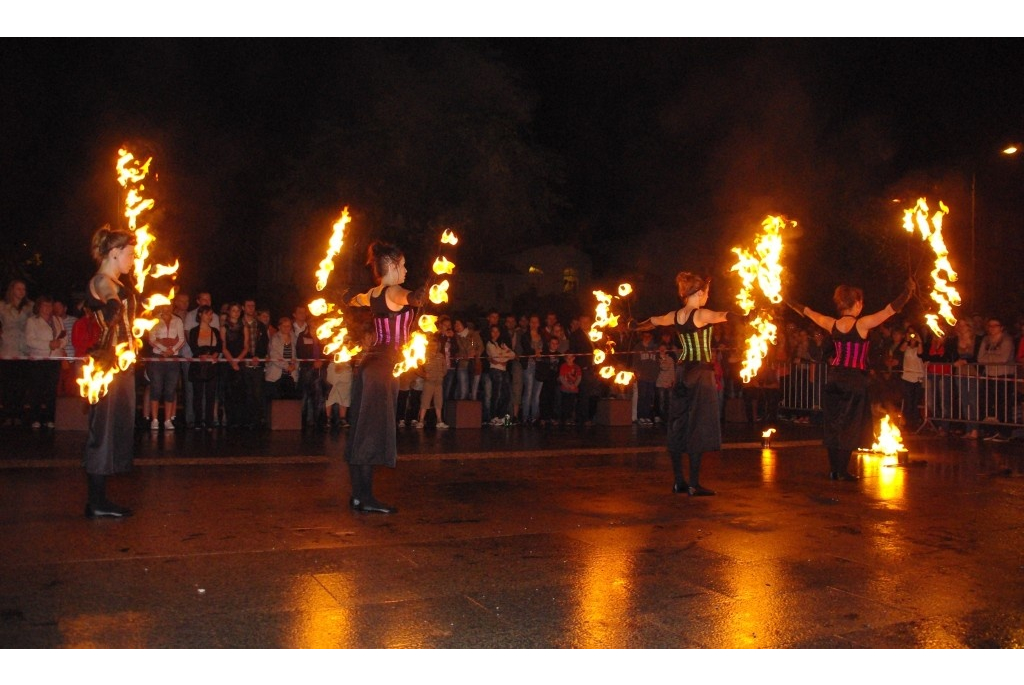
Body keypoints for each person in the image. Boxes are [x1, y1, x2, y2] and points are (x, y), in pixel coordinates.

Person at [787, 278, 915, 480]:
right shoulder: (862, 324)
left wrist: (787, 299)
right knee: (850, 425)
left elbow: (809, 312)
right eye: (861, 302)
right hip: (854, 380)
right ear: (856, 303)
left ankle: (834, 470)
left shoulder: (832, 324)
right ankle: (842, 471)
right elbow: (889, 310)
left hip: (834, 378)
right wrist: (907, 293)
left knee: (833, 423)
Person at [630, 273, 733, 496]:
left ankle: (679, 481)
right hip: (701, 373)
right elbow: (723, 315)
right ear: (697, 293)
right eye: (706, 293)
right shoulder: (702, 314)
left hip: (682, 370)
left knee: (678, 424)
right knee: (699, 426)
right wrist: (745, 314)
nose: (707, 296)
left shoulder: (675, 315)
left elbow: (653, 321)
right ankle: (694, 484)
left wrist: (635, 326)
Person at [342, 241, 426, 514]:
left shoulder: (374, 293)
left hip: (370, 364)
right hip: (382, 368)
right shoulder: (393, 290)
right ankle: (365, 498)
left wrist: (344, 296)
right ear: (390, 266)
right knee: (372, 432)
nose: (406, 269)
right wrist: (422, 295)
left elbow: (355, 299)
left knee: (362, 429)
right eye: (402, 265)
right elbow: (409, 298)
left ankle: (359, 495)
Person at [83, 226, 138, 518]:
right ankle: (96, 502)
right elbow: (107, 295)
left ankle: (100, 499)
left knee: (115, 430)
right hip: (106, 368)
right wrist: (114, 305)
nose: (133, 259)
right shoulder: (104, 281)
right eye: (130, 254)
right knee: (102, 432)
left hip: (121, 367)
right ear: (114, 253)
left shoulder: (116, 279)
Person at [24, 295, 64, 428]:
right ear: (39, 307)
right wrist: (48, 344)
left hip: (54, 359)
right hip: (39, 359)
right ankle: (35, 418)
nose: (47, 308)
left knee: (51, 390)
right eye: (44, 305)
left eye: (49, 305)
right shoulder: (32, 321)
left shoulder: (57, 319)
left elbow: (65, 337)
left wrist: (59, 343)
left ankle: (50, 418)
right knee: (37, 389)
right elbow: (30, 340)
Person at [147, 304, 185, 430]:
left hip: (173, 358)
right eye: (164, 306)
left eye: (169, 306)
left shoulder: (177, 320)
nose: (167, 308)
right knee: (156, 388)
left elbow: (181, 339)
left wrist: (172, 350)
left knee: (170, 389)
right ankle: (155, 419)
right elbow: (152, 339)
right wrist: (164, 348)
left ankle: (168, 420)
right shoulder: (154, 319)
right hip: (158, 357)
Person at [1, 279, 33, 425]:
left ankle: (20, 413)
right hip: (7, 347)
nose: (22, 292)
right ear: (12, 290)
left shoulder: (30, 307)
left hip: (23, 348)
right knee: (8, 382)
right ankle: (8, 413)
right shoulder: (2, 306)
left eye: (24, 289)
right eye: (19, 289)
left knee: (21, 382)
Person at [187, 305, 222, 431]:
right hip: (198, 364)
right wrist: (201, 355)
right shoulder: (194, 331)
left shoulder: (215, 331)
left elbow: (219, 347)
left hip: (211, 366)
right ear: (200, 314)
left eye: (211, 314)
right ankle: (197, 421)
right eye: (207, 313)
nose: (210, 316)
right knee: (198, 394)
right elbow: (193, 346)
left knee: (211, 394)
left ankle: (209, 421)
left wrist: (214, 355)